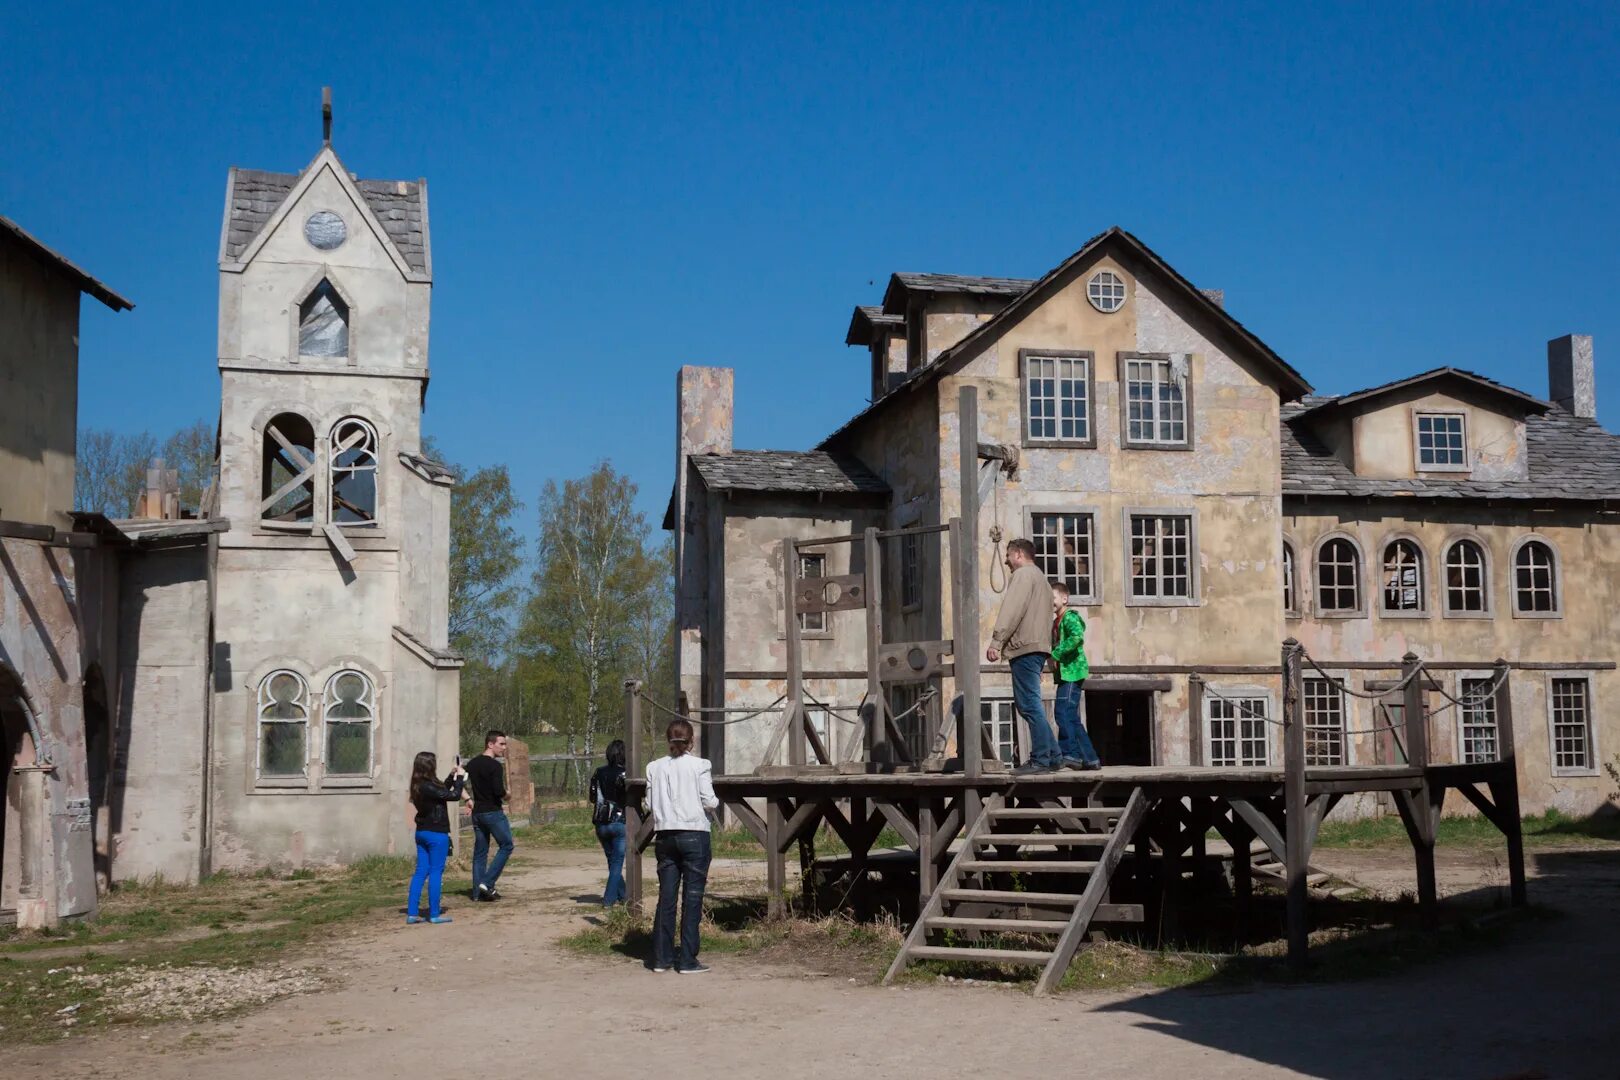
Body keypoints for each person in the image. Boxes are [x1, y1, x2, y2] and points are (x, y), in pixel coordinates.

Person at [644, 718, 718, 973]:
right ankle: (687, 959)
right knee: (692, 898)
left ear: (668, 740)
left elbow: (649, 804)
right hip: (694, 833)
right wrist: (713, 804)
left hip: (665, 834)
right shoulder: (700, 765)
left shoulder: (654, 767)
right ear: (691, 741)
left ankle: (661, 958)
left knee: (666, 897)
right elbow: (710, 800)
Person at [987, 537, 1061, 774]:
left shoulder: (1022, 576)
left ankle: (1040, 759)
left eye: (1008, 556)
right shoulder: (1042, 580)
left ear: (1018, 554)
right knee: (1032, 703)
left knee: (1029, 704)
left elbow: (1012, 609)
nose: (1006, 562)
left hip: (1025, 647)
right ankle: (1054, 756)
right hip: (1038, 646)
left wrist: (996, 642)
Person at [406, 751, 465, 924]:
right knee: (436, 872)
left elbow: (442, 792)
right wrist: (461, 779)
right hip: (436, 833)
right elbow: (453, 796)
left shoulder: (418, 785)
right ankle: (434, 913)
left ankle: (412, 913)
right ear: (430, 766)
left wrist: (451, 776)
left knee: (421, 871)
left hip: (422, 832)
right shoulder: (428, 786)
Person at [1051, 581, 1101, 771]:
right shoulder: (1056, 621)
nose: (1051, 602)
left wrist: (1056, 654)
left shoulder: (1069, 617)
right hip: (1066, 673)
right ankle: (1090, 758)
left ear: (1064, 598)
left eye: (1053, 598)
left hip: (1072, 671)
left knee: (1062, 712)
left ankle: (1071, 754)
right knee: (1071, 716)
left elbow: (1076, 637)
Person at [465, 730, 515, 902]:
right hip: (492, 812)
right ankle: (487, 882)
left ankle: (477, 894)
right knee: (507, 845)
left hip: (478, 813)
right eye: (501, 744)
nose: (504, 747)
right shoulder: (494, 766)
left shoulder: (471, 764)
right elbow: (498, 791)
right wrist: (507, 794)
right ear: (490, 744)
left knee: (480, 853)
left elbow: (458, 782)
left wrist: (468, 799)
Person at [589, 739, 629, 907]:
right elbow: (628, 798)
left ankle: (624, 896)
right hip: (619, 821)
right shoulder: (626, 774)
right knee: (617, 864)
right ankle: (608, 900)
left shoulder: (598, 772)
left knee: (613, 863)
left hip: (600, 822)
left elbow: (592, 798)